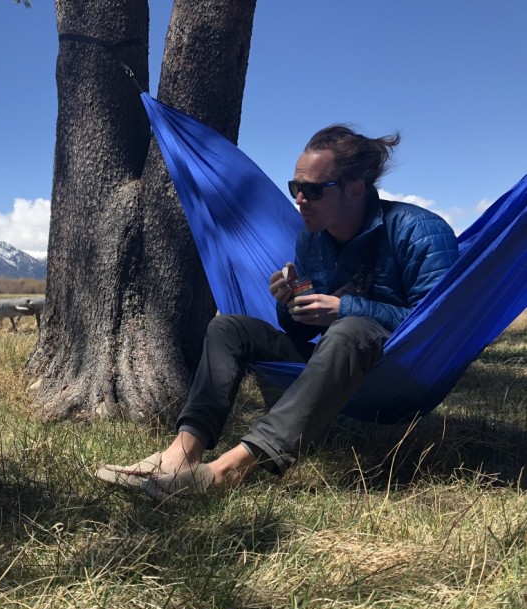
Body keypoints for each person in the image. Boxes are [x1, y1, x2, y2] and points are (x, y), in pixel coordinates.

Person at [96, 124, 460, 500]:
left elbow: (441, 324)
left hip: (400, 369)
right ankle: (182, 454)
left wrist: (344, 308)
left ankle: (230, 469)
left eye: (314, 189)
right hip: (338, 357)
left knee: (350, 328)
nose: (300, 199)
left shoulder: (418, 231)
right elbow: (303, 331)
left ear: (356, 188)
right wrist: (288, 305)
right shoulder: (312, 238)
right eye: (295, 188)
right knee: (230, 328)